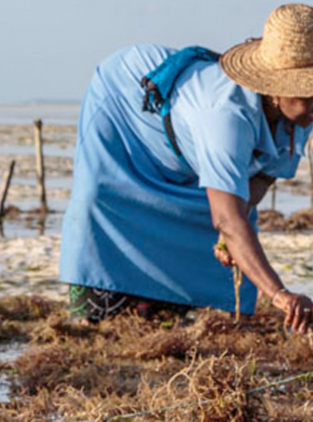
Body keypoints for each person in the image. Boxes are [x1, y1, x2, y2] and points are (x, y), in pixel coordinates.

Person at [60, 3, 313, 332]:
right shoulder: (225, 117)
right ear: (275, 89)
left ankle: (176, 305)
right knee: (101, 198)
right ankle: (99, 308)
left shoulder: (301, 114)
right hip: (123, 101)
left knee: (227, 222)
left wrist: (225, 239)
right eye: (305, 92)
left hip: (182, 137)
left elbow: (261, 177)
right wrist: (279, 294)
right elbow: (226, 217)